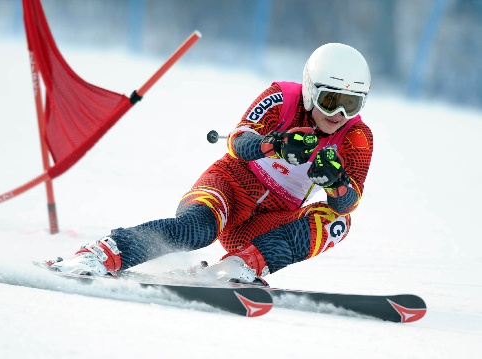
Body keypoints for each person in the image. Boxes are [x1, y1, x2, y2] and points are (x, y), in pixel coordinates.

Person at [51, 43, 373, 285]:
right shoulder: (281, 98)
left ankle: (240, 265)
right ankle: (100, 254)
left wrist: (337, 183)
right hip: (229, 186)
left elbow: (349, 201)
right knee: (197, 230)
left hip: (269, 218)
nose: (338, 115)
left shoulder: (357, 137)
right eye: (330, 100)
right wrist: (274, 144)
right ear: (309, 90)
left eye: (351, 104)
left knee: (338, 222)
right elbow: (237, 142)